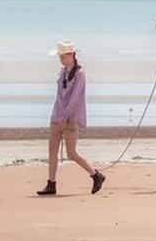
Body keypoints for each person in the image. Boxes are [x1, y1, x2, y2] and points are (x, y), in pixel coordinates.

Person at [37, 41, 105, 196]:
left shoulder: (80, 74)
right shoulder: (62, 72)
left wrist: (65, 116)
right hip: (56, 117)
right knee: (52, 151)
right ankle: (51, 183)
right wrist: (57, 115)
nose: (60, 59)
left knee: (71, 153)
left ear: (71, 55)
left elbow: (75, 98)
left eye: (63, 56)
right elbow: (60, 95)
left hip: (70, 120)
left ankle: (96, 175)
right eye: (59, 56)